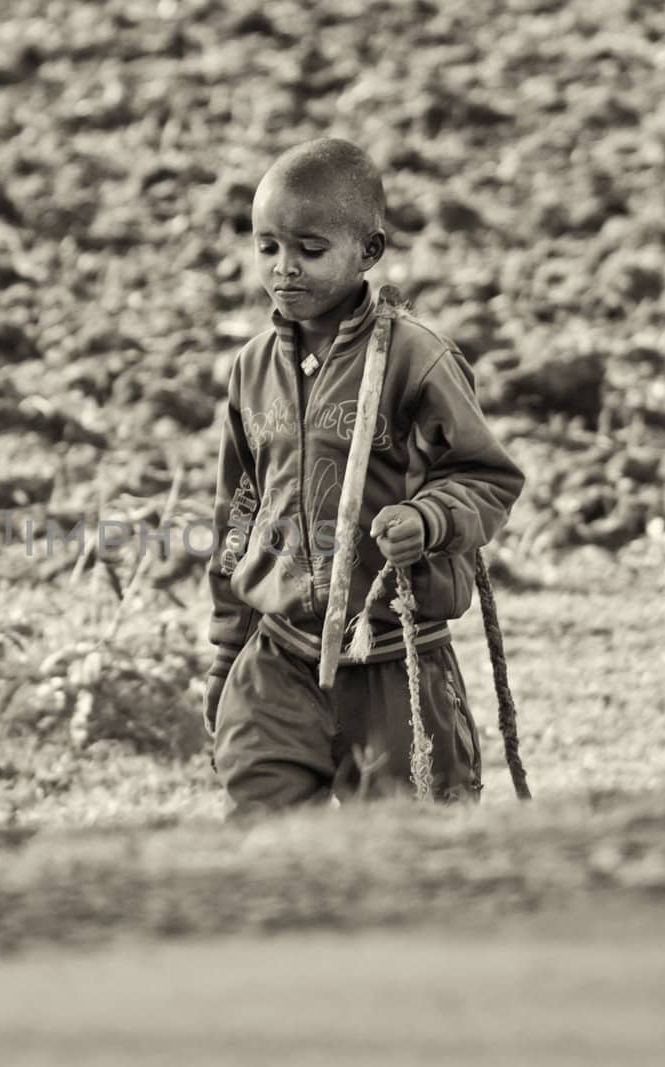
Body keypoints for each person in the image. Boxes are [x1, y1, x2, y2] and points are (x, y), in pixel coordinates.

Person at [204, 137, 524, 814]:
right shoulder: (252, 368)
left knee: (407, 850)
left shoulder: (416, 359)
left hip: (393, 660)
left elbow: (486, 477)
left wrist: (429, 519)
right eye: (268, 248)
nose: (283, 269)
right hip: (279, 656)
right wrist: (227, 651)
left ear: (368, 252)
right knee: (262, 832)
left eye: (309, 250)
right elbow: (238, 512)